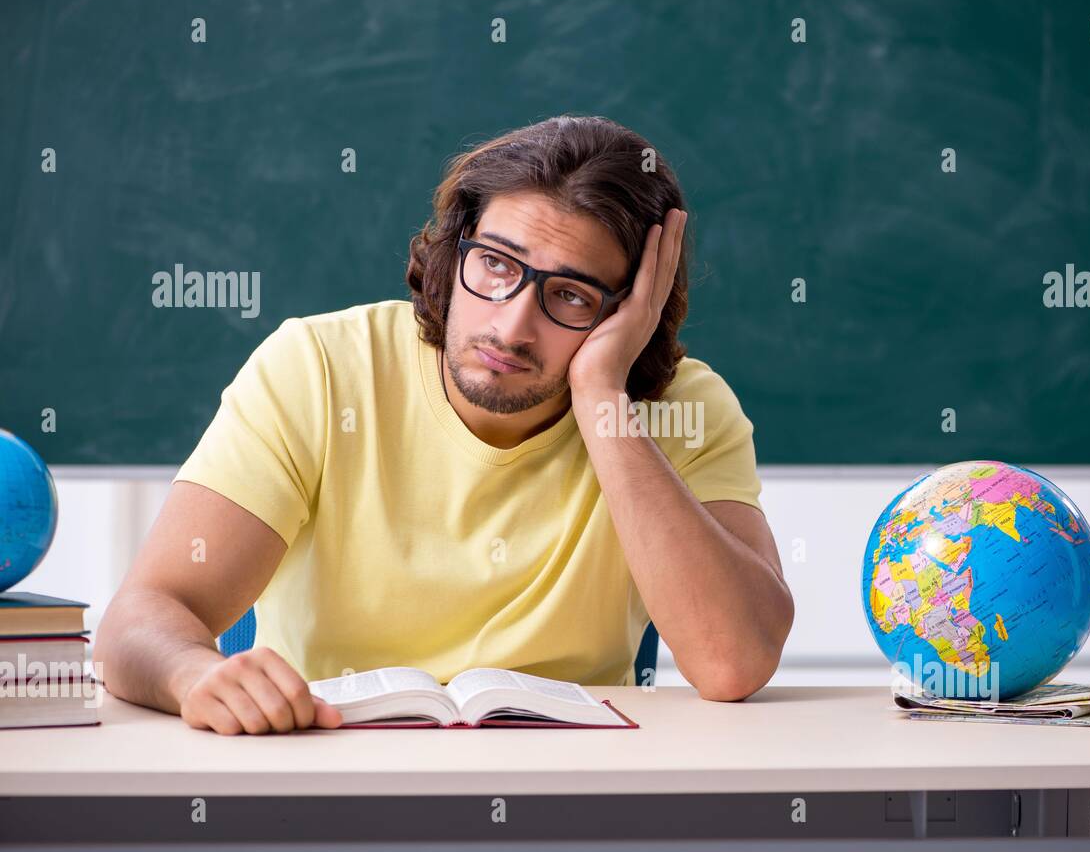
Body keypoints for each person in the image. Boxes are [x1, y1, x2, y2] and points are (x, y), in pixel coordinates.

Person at [96, 115, 794, 735]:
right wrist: (194, 674)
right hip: (325, 781)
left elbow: (732, 661)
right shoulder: (316, 369)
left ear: (629, 311)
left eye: (570, 295)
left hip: (572, 796)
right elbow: (139, 620)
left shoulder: (682, 410)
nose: (511, 324)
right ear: (452, 251)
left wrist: (601, 395)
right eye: (495, 264)